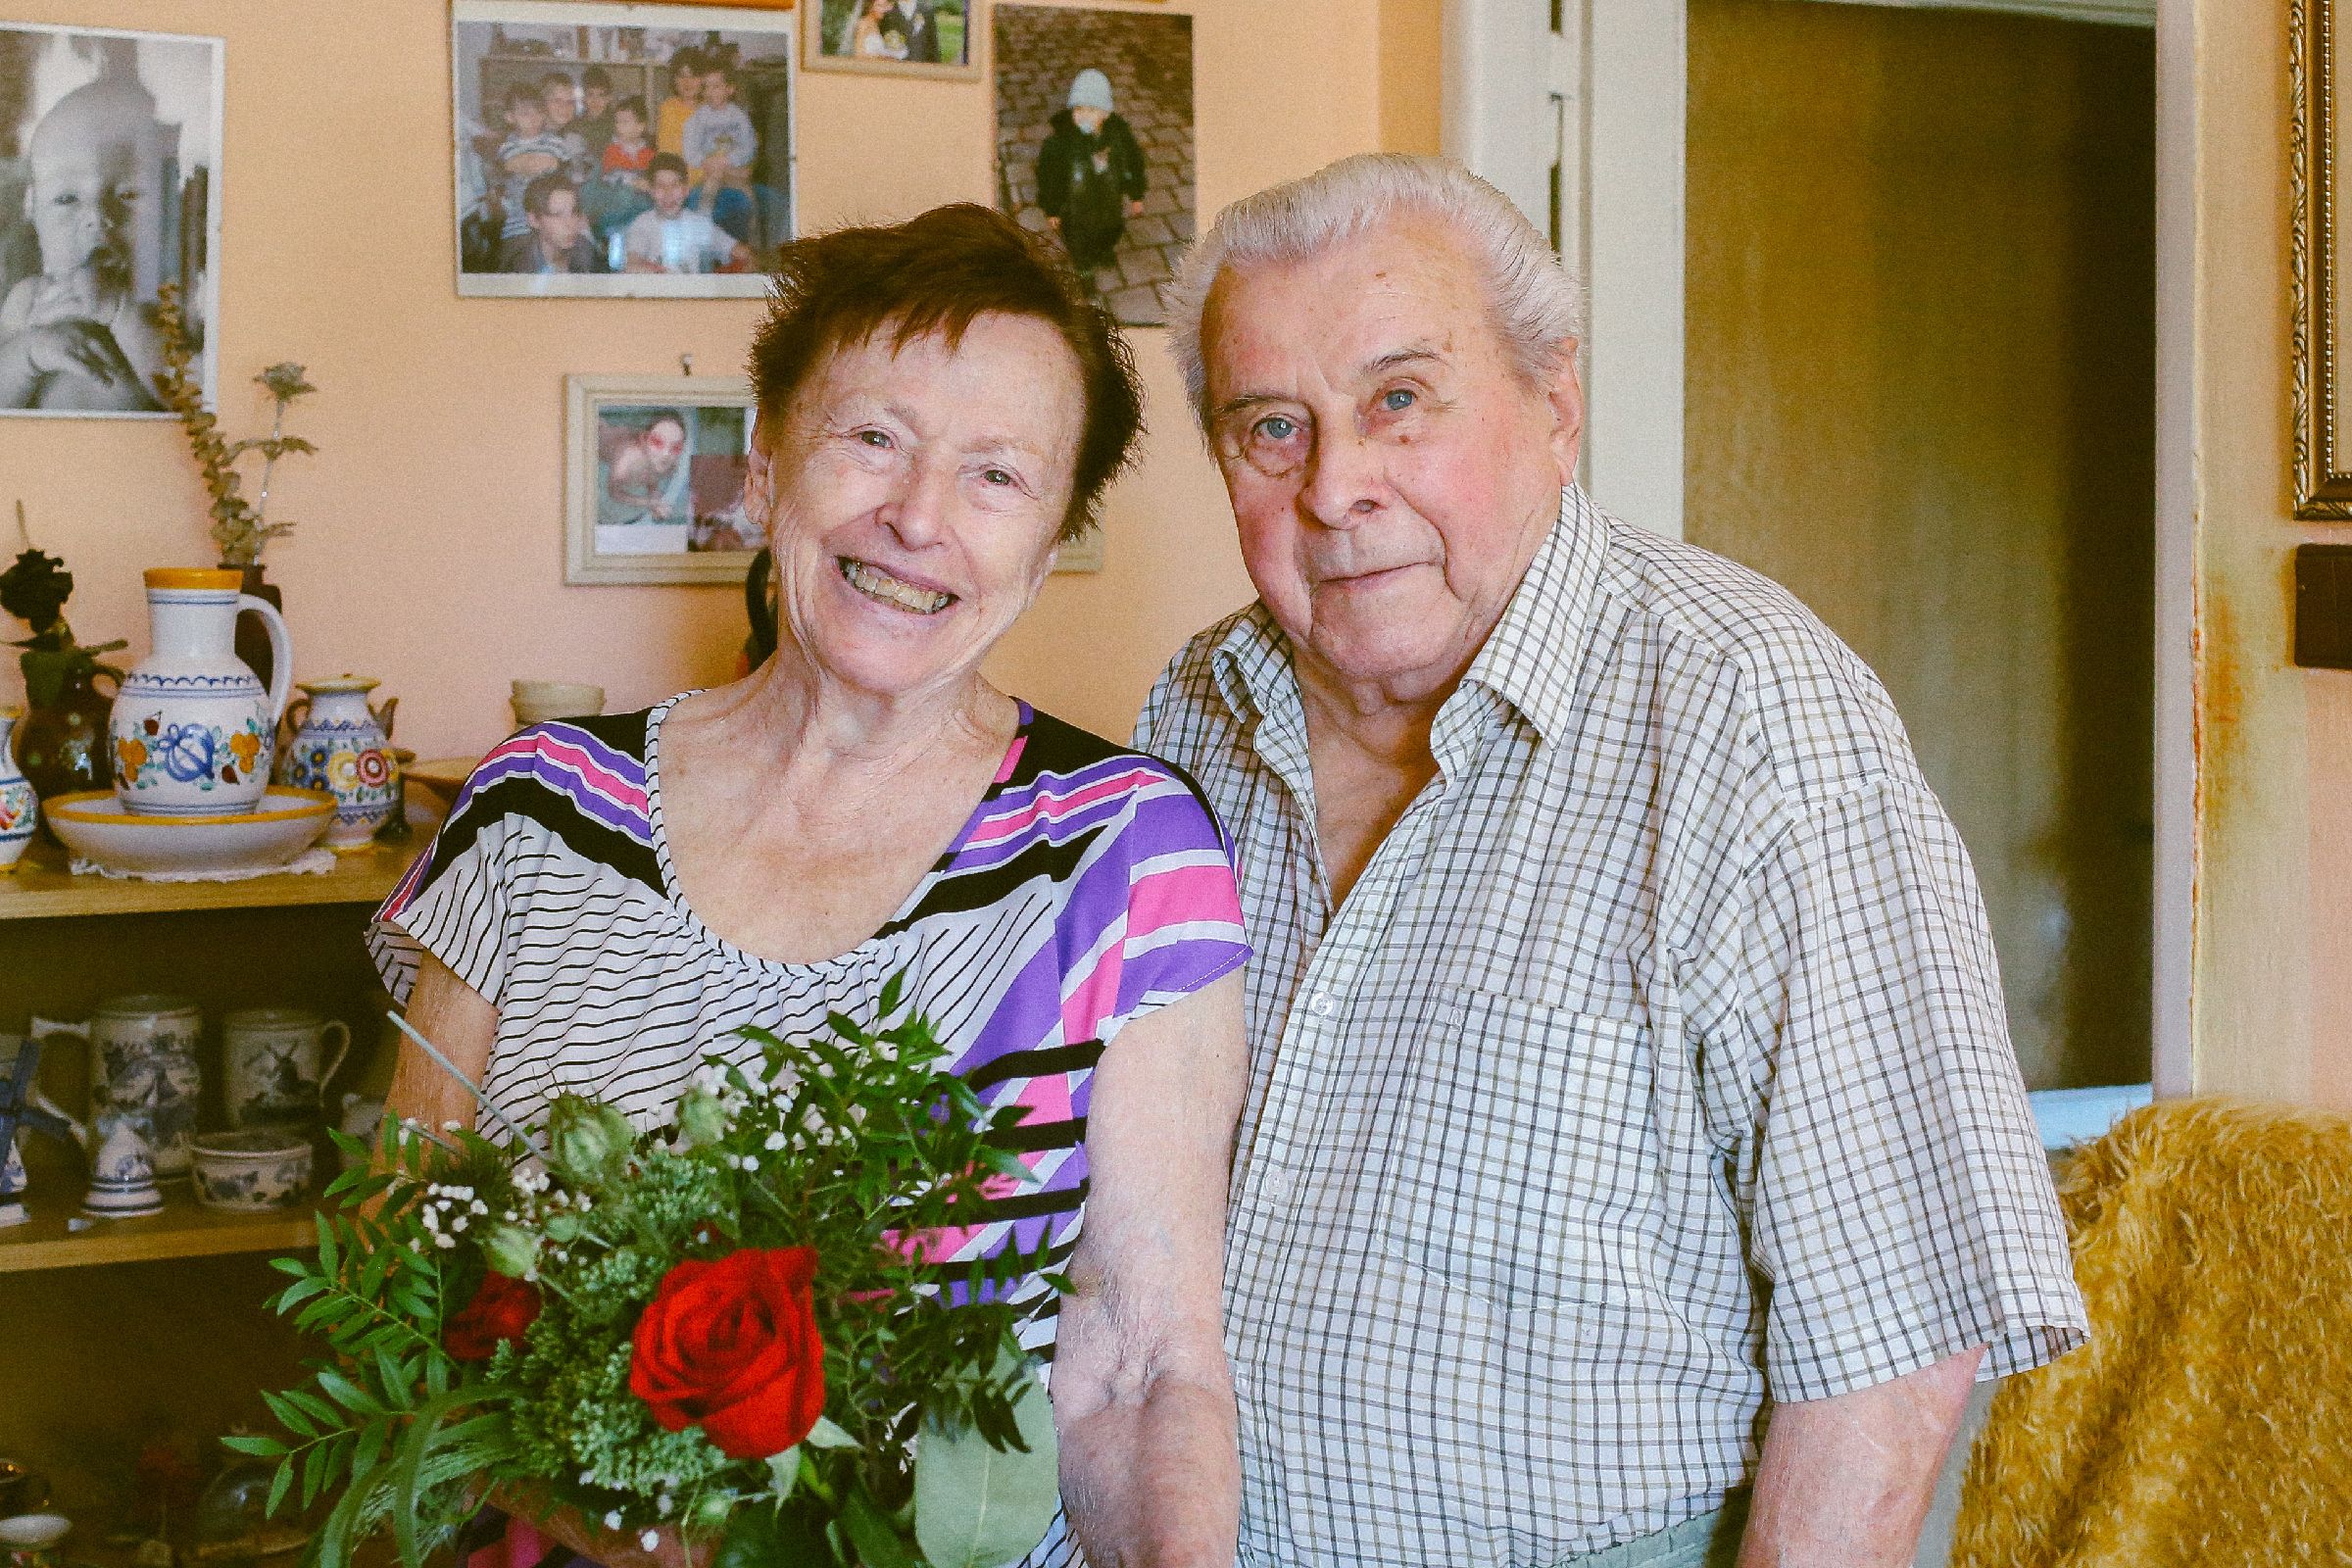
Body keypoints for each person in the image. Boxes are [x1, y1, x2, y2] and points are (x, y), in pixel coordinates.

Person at [1142, 151, 2088, 1567]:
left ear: (1555, 404)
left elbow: (1890, 1355)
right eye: (1273, 427)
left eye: (1400, 400)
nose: (1338, 488)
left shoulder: (1749, 713)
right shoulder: (1194, 712)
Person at [374, 201, 1246, 1568]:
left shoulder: (1124, 851)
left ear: (1049, 543)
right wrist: (604, 1526)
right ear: (768, 461)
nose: (917, 518)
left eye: (996, 476)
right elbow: (395, 1264)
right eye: (873, 439)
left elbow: (1141, 1370)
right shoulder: (535, 809)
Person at [0, 72, 168, 412]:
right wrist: (29, 354)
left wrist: (120, 312)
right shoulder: (29, 300)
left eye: (128, 194)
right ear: (33, 211)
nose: (97, 216)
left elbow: (192, 398)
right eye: (66, 199)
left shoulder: (164, 303)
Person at [1034, 70, 1146, 288]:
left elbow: (1134, 163)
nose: (1083, 115)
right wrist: (1052, 209)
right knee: (1079, 243)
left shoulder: (1119, 137)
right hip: (1075, 210)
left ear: (1105, 114)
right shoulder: (1059, 144)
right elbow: (1048, 178)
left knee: (1111, 230)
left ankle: (1104, 251)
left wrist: (1136, 195)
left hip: (1110, 203)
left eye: (1092, 110)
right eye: (1078, 109)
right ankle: (1084, 272)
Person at [620, 154, 750, 274]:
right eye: (660, 186)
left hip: (692, 290)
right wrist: (648, 269)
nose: (668, 193)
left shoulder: (698, 224)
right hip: (655, 289)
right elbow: (633, 263)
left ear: (686, 190)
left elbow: (742, 253)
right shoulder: (642, 224)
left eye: (675, 185)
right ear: (651, 191)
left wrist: (748, 262)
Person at [680, 67, 756, 241]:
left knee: (748, 194)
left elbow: (748, 147)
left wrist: (729, 160)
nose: (709, 92)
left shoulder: (739, 116)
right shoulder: (698, 117)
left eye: (716, 87)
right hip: (710, 170)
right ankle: (702, 228)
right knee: (711, 185)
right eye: (706, 87)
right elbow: (690, 150)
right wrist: (705, 161)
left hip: (732, 169)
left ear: (730, 89)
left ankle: (751, 241)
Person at [493, 83, 569, 240]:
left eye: (538, 112)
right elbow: (500, 181)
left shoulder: (556, 143)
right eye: (525, 114)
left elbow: (568, 175)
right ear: (510, 117)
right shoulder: (506, 148)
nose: (534, 119)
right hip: (517, 221)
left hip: (552, 219)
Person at [596, 410, 690, 527]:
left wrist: (654, 495)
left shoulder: (671, 464)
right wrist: (648, 502)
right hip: (602, 440)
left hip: (625, 434)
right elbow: (613, 493)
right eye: (657, 442)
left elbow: (652, 477)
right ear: (644, 439)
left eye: (676, 447)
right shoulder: (625, 464)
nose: (666, 454)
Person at [497, 173, 605, 275]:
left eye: (574, 212)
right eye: (557, 215)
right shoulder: (517, 267)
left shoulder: (586, 250)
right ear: (534, 220)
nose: (570, 224)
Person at [655, 50, 701, 160]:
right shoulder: (668, 108)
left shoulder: (711, 108)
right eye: (681, 76)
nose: (687, 82)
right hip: (676, 167)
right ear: (674, 80)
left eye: (693, 76)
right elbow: (665, 151)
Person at [573, 67, 616, 162]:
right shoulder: (576, 124)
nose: (595, 100)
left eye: (601, 95)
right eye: (590, 94)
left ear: (609, 98)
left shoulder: (617, 123)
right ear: (583, 97)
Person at [882, 0, 942, 64]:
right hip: (896, 65)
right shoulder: (888, 11)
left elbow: (932, 42)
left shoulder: (926, 10)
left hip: (921, 64)